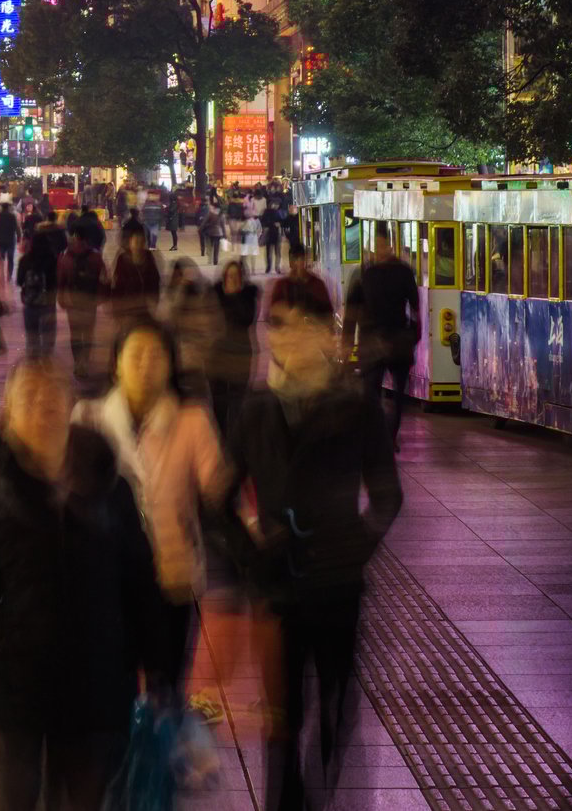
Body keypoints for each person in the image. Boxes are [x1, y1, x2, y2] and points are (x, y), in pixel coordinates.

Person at [0, 361, 168, 811]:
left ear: (70, 407)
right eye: (28, 400)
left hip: (97, 685)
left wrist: (159, 666)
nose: (42, 409)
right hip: (15, 687)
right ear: (9, 413)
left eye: (52, 397)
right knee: (12, 799)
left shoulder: (109, 486)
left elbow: (140, 581)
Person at [216, 308, 403, 811]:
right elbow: (218, 498)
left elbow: (388, 495)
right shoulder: (254, 408)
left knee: (337, 708)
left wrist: (356, 547)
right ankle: (287, 799)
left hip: (338, 586)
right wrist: (249, 551)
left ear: (327, 336)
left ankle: (324, 791)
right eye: (280, 326)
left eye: (305, 327)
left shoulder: (358, 406)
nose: (291, 338)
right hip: (277, 587)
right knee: (282, 717)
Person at [76, 322, 229, 704]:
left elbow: (218, 491)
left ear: (171, 365)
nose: (146, 365)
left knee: (166, 690)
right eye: (136, 355)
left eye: (157, 356)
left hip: (171, 577)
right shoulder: (89, 419)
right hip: (106, 580)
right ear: (117, 365)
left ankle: (157, 760)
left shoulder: (192, 420)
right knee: (110, 691)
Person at [346, 226, 420, 442]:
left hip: (389, 341)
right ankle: (383, 435)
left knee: (387, 395)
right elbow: (352, 310)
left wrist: (413, 333)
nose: (379, 251)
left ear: (390, 245)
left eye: (382, 246)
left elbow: (416, 306)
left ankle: (388, 435)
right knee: (379, 394)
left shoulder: (372, 273)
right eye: (376, 246)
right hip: (384, 341)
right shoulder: (369, 273)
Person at [209, 259, 262, 442]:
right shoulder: (214, 295)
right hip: (218, 356)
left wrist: (235, 295)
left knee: (238, 402)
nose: (232, 279)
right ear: (224, 277)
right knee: (219, 404)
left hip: (241, 356)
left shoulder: (248, 296)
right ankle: (221, 440)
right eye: (229, 275)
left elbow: (247, 319)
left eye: (236, 276)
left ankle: (237, 443)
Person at [57, 226, 107, 388]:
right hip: (90, 301)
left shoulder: (66, 256)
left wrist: (62, 297)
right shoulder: (95, 256)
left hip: (73, 301)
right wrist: (100, 296)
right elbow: (104, 278)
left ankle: (78, 362)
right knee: (88, 332)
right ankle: (84, 360)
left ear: (75, 237)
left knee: (76, 333)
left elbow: (61, 280)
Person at [160, 256, 219, 382]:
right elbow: (166, 318)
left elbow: (210, 330)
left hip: (197, 361)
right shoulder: (170, 296)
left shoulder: (201, 297)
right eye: (178, 276)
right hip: (178, 358)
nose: (182, 280)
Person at [16, 224, 62, 363]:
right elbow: (56, 281)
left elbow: (19, 281)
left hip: (30, 304)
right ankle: (46, 363)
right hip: (47, 303)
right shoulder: (52, 259)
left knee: (32, 338)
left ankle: (33, 365)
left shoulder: (25, 260)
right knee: (48, 337)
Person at [107, 222, 163, 337]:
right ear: (130, 243)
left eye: (141, 242)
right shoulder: (122, 260)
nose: (138, 245)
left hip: (145, 309)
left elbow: (155, 281)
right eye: (136, 242)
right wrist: (117, 310)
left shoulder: (149, 257)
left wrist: (154, 301)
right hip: (128, 309)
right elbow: (117, 287)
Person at [268, 241, 335, 324]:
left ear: (304, 261)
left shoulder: (317, 285)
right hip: (292, 334)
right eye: (294, 260)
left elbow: (328, 316)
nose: (296, 264)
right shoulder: (282, 285)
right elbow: (273, 317)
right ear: (290, 262)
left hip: (312, 333)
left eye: (299, 259)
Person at [0, 202, 20, 290]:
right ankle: (9, 275)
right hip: (10, 240)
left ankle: (1, 274)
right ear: (8, 208)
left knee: (1, 258)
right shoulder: (12, 216)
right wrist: (19, 236)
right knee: (10, 258)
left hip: (0, 240)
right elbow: (16, 227)